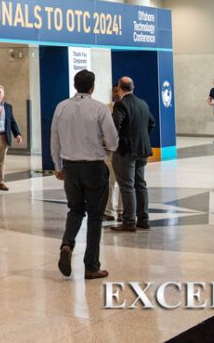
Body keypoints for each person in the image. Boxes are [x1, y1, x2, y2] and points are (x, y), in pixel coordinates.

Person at [51, 70, 118, 280]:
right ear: (92, 86)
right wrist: (106, 146)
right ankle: (91, 266)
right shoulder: (99, 108)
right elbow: (113, 140)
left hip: (70, 167)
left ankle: (67, 243)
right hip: (94, 167)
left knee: (75, 209)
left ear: (74, 84)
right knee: (96, 216)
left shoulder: (61, 107)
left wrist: (58, 165)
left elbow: (54, 138)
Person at [109, 77, 154, 233]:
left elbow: (114, 125)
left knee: (127, 185)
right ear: (133, 87)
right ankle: (143, 219)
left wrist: (117, 143)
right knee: (140, 184)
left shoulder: (121, 104)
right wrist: (142, 139)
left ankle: (128, 221)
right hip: (142, 149)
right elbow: (151, 123)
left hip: (126, 151)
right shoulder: (143, 103)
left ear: (120, 88)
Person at [104, 84, 123, 222]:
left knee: (124, 183)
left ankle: (122, 211)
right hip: (109, 151)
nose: (117, 93)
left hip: (124, 151)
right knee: (109, 182)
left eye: (119, 91)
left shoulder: (129, 106)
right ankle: (109, 211)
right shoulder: (106, 108)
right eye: (115, 91)